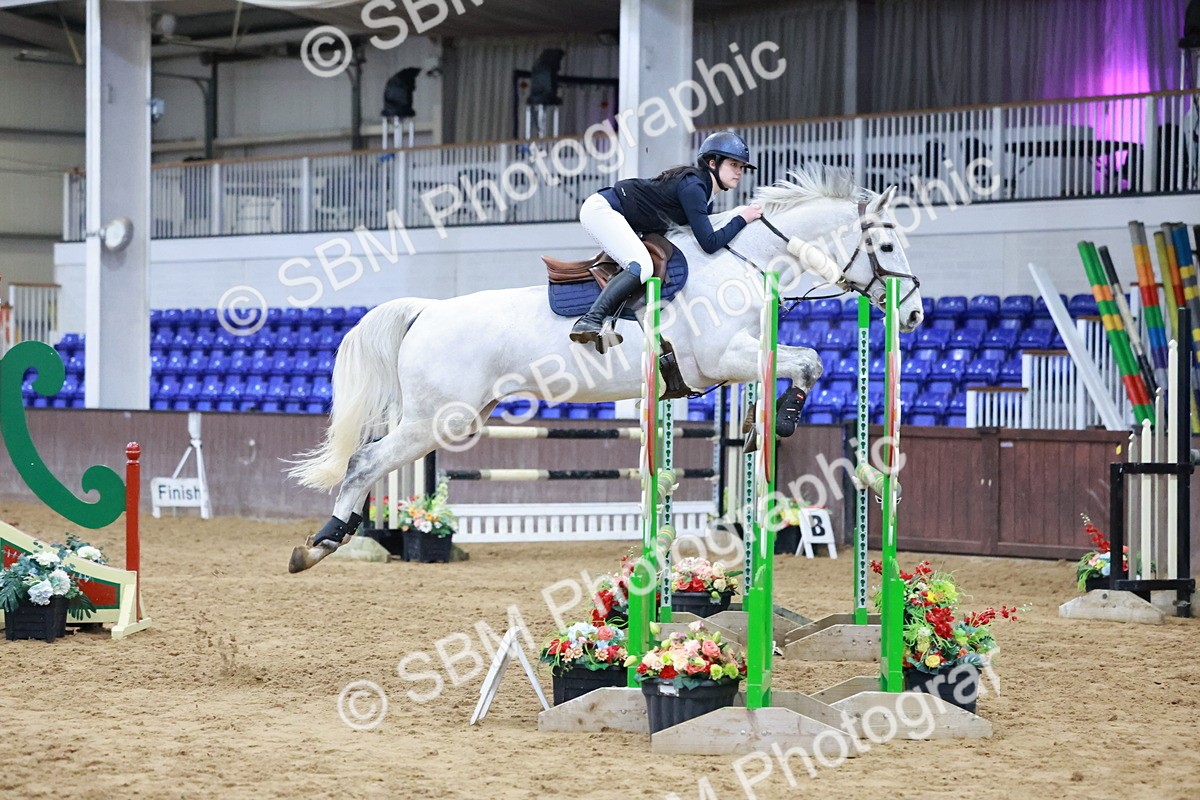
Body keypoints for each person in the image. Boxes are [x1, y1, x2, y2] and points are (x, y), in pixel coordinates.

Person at [569, 130, 763, 348]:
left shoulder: (705, 194)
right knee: (641, 266)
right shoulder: (694, 187)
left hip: (620, 216)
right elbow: (709, 243)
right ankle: (590, 320)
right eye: (733, 165)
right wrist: (742, 219)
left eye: (741, 167)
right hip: (603, 210)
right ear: (712, 163)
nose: (739, 172)